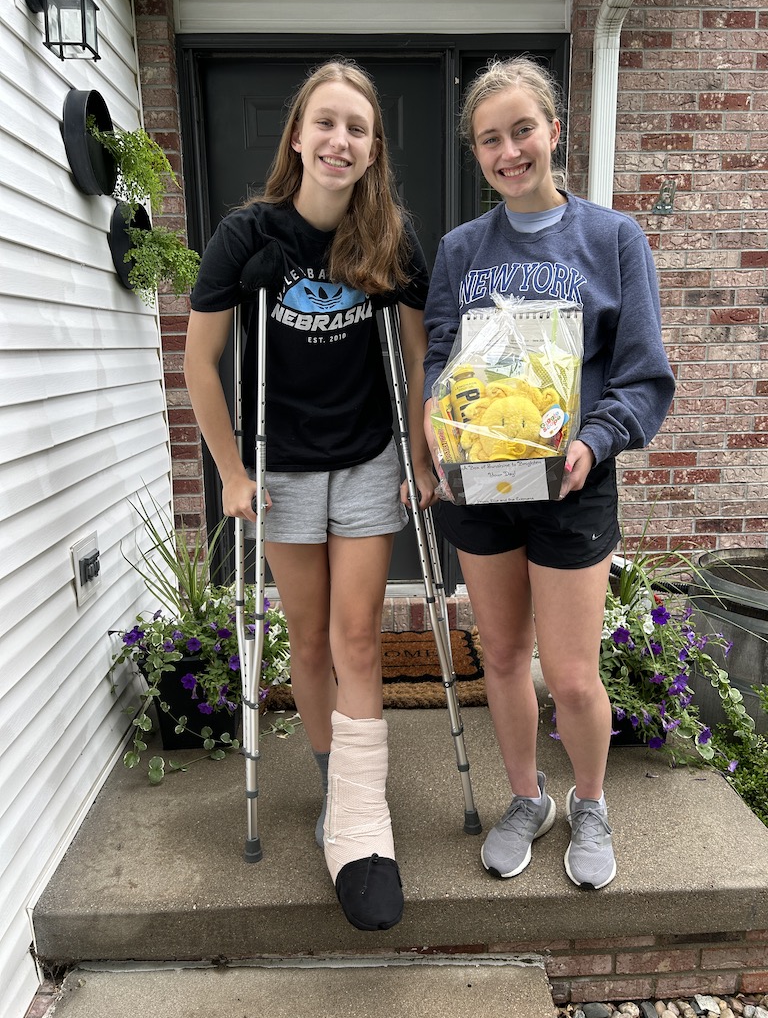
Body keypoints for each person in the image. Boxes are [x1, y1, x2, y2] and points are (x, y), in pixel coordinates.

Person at [184, 59, 436, 931]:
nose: (340, 140)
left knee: (358, 633)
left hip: (368, 458)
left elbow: (413, 357)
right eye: (325, 123)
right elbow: (197, 363)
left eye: (357, 129)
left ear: (372, 151)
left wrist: (423, 457)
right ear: (298, 135)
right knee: (308, 637)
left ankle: (364, 823)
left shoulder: (391, 238)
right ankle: (339, 786)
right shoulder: (247, 235)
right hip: (282, 467)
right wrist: (230, 469)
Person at [422, 57, 675, 890]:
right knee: (501, 654)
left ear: (554, 131)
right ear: (478, 153)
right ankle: (526, 796)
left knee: (569, 672)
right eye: (490, 139)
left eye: (522, 129)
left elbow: (642, 374)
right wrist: (437, 433)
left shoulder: (612, 239)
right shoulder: (462, 250)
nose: (509, 151)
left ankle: (591, 801)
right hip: (482, 488)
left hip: (570, 484)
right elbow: (441, 359)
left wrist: (595, 442)